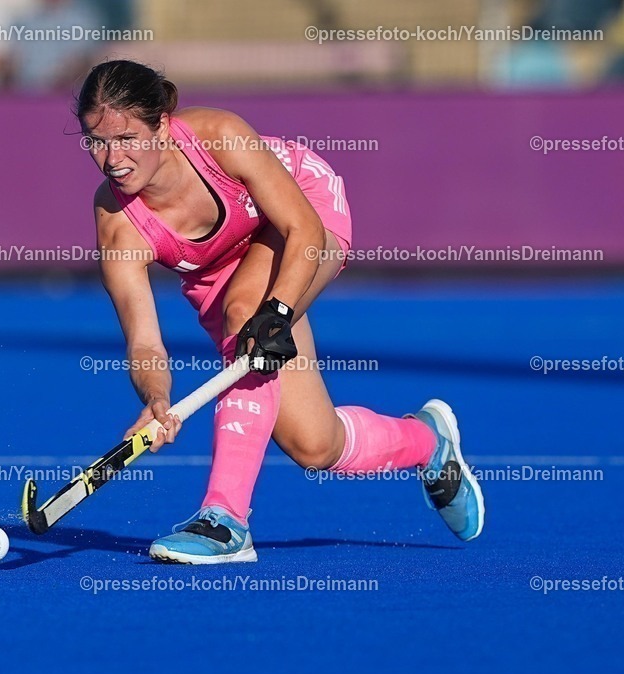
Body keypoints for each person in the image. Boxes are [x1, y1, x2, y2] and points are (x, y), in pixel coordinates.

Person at [77, 60, 485, 564]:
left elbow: (305, 233)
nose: (112, 158)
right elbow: (144, 343)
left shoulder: (220, 136)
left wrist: (278, 310)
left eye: (127, 138)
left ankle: (223, 519)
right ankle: (428, 442)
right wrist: (156, 400)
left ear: (161, 123)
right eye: (96, 141)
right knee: (316, 445)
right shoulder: (118, 226)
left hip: (301, 217)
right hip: (220, 278)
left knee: (248, 317)